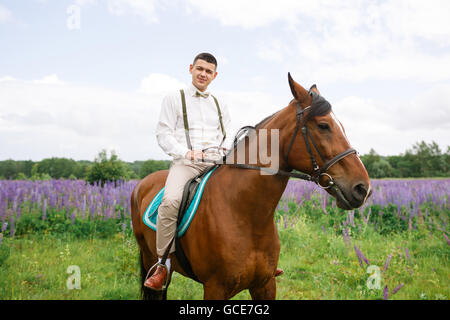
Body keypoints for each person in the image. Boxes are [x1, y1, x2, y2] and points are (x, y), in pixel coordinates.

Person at [144, 52, 232, 290]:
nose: (203, 74)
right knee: (171, 201)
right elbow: (163, 133)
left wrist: (225, 151)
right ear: (191, 68)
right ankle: (163, 264)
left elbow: (226, 134)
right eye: (200, 69)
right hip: (187, 162)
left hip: (216, 162)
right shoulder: (174, 98)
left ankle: (255, 258)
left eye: (208, 71)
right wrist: (185, 152)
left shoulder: (219, 102)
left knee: (246, 194)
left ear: (215, 76)